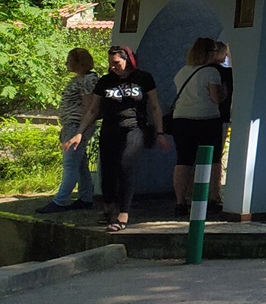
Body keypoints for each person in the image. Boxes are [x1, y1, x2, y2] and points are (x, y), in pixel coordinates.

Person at [63, 45, 169, 232]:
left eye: (116, 63)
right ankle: (108, 208)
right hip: (110, 128)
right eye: (110, 63)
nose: (112, 67)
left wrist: (159, 132)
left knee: (125, 165)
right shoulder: (106, 81)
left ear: (128, 60)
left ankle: (123, 214)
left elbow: (154, 106)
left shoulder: (143, 78)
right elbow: (93, 110)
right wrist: (79, 132)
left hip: (134, 127)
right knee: (108, 169)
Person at [36, 48, 99, 213]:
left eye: (69, 60)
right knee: (80, 164)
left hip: (77, 126)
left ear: (78, 62)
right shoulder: (78, 79)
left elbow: (89, 107)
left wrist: (80, 132)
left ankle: (60, 201)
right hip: (71, 125)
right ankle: (86, 197)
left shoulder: (87, 80)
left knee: (70, 163)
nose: (66, 63)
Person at [170, 37, 226, 217]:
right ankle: (212, 197)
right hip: (206, 119)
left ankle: (180, 201)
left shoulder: (182, 71)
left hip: (181, 119)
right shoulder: (211, 72)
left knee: (183, 161)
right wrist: (224, 92)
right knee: (212, 159)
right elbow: (215, 98)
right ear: (210, 53)